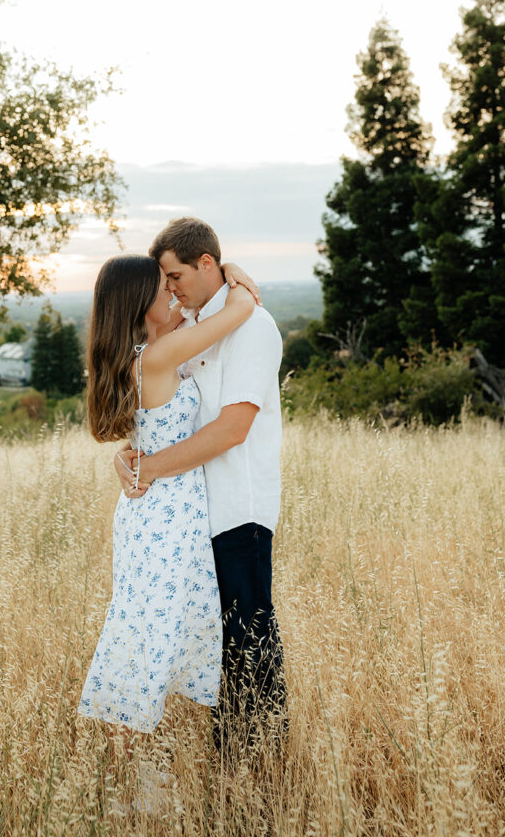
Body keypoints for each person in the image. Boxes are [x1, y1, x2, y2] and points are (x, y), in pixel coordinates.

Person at [114, 218, 288, 761]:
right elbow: (164, 410)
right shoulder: (193, 328)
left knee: (249, 643)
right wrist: (132, 454)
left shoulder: (251, 327)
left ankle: (259, 770)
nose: (170, 288)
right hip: (194, 518)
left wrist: (152, 469)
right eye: (164, 280)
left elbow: (233, 428)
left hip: (239, 509)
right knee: (221, 650)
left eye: (175, 275)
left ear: (206, 264)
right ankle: (229, 768)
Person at [78, 254, 256, 743]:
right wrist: (236, 275)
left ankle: (156, 754)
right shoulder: (156, 358)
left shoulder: (142, 352)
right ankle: (140, 763)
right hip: (166, 512)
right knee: (153, 631)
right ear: (141, 303)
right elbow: (237, 310)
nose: (172, 294)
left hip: (157, 509)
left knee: (162, 624)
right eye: (162, 289)